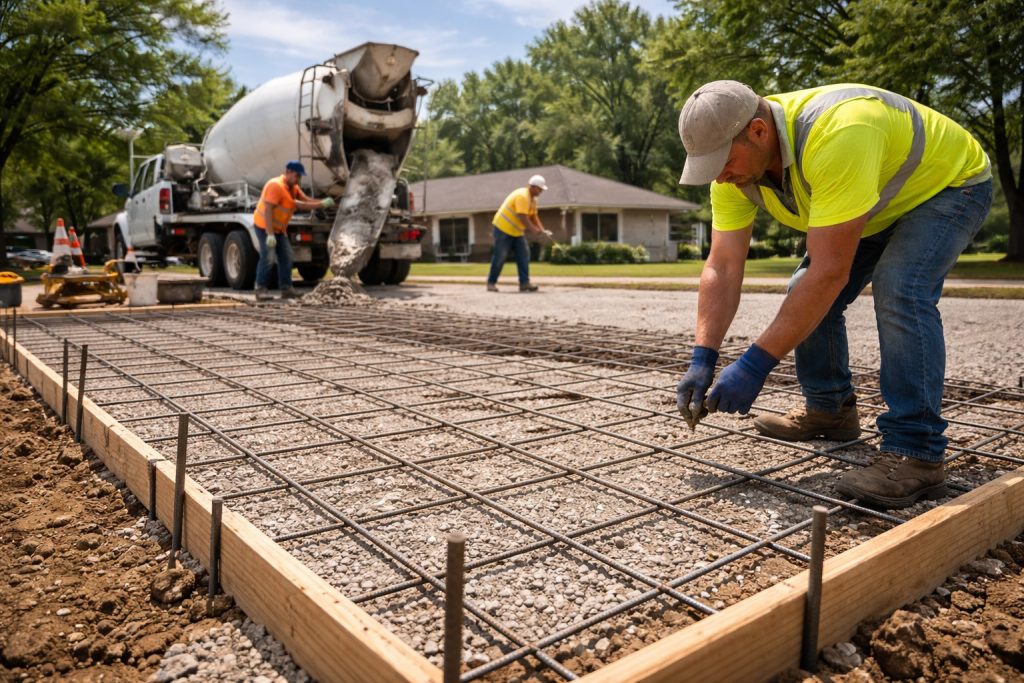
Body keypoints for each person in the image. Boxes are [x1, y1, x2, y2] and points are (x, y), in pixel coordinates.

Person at [675, 81, 991, 509]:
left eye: (724, 162)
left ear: (758, 131)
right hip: (874, 200)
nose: (720, 175)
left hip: (946, 186)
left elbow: (828, 274)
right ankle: (831, 410)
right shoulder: (732, 176)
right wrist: (703, 356)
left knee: (900, 289)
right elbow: (723, 265)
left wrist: (755, 364)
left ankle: (917, 453)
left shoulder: (838, 131)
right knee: (800, 292)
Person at [253, 160, 333, 300]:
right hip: (264, 227)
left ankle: (286, 289)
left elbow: (304, 201)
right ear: (288, 172)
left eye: (300, 176)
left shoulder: (292, 187)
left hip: (279, 230)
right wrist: (270, 234)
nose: (299, 179)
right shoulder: (275, 186)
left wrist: (321, 203)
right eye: (297, 176)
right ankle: (260, 290)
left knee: (287, 257)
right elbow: (267, 211)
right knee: (268, 258)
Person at [487, 174, 551, 292]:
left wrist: (542, 230)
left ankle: (524, 283)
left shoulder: (532, 200)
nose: (541, 191)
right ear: (533, 187)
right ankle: (491, 283)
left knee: (524, 255)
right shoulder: (522, 196)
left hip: (516, 232)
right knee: (500, 256)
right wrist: (535, 231)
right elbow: (522, 216)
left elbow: (533, 217)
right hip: (502, 229)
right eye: (540, 189)